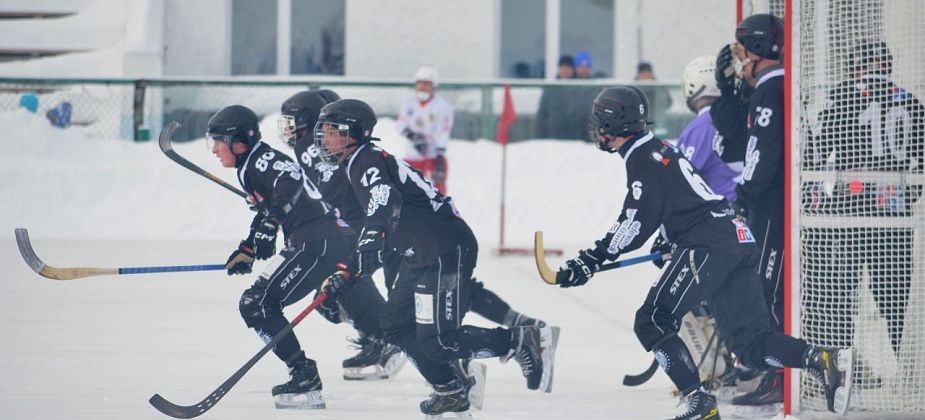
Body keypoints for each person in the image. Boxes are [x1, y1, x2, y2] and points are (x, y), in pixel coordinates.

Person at [556, 85, 853, 419]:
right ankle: (820, 360)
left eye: (600, 120)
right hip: (735, 238)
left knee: (652, 321)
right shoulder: (657, 149)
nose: (596, 128)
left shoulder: (642, 159)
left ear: (612, 124)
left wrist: (591, 259)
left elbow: (634, 221)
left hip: (709, 244)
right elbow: (682, 199)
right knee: (751, 346)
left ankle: (698, 401)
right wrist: (668, 236)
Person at [314, 98, 557, 417]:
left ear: (354, 133)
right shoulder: (356, 164)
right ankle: (450, 389)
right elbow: (381, 220)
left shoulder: (366, 159)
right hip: (420, 254)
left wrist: (373, 233)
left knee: (437, 341)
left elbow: (381, 198)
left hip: (444, 247)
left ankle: (516, 340)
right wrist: (350, 271)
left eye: (332, 131)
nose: (324, 139)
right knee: (395, 325)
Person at [208, 104, 356, 409]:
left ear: (238, 143)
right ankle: (303, 372)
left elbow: (289, 180)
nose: (214, 150)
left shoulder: (261, 160)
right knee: (257, 304)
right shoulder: (250, 164)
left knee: (257, 303)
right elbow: (272, 203)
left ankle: (304, 375)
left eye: (218, 142)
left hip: (317, 243)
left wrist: (271, 223)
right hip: (313, 243)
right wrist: (249, 246)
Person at [806, 40, 924, 381]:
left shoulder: (843, 95)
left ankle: (840, 370)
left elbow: (818, 146)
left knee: (841, 295)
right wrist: (907, 191)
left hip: (850, 210)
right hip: (894, 213)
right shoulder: (910, 101)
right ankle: (907, 374)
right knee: (894, 297)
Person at [278, 89, 405, 381]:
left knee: (340, 288)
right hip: (367, 224)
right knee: (338, 290)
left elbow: (330, 191)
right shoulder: (320, 144)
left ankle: (393, 341)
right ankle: (382, 337)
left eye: (293, 121)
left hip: (365, 226)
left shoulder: (310, 146)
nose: (288, 129)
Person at [716, 14, 789, 408]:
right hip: (775, 205)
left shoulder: (770, 89)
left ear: (758, 51)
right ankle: (778, 372)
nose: (739, 60)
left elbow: (761, 152)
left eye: (743, 52)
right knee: (766, 290)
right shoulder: (770, 88)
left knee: (768, 292)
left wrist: (743, 195)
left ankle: (781, 377)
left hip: (772, 208)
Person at [397, 66, 454, 194]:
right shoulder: (408, 103)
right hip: (412, 154)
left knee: (437, 191)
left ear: (433, 86)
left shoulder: (443, 107)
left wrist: (439, 155)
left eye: (427, 84)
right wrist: (413, 137)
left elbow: (443, 131)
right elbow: (400, 124)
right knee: (407, 190)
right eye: (420, 84)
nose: (423, 87)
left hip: (432, 155)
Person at [634, 62, 674, 133]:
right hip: (637, 125)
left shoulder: (658, 88)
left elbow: (668, 102)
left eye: (648, 73)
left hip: (655, 125)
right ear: (639, 75)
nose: (646, 76)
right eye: (643, 73)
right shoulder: (633, 88)